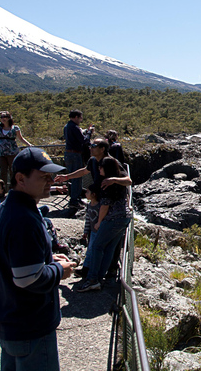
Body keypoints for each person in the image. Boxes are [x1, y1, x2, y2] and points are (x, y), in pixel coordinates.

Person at [0, 147, 75, 370]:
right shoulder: (23, 219)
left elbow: (13, 258)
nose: (50, 181)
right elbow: (27, 279)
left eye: (51, 176)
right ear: (20, 178)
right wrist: (59, 270)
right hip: (30, 326)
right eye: (43, 176)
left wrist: (47, 257)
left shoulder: (7, 209)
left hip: (9, 321)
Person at [76, 156, 132, 292]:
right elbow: (128, 181)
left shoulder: (106, 184)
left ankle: (92, 279)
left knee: (97, 247)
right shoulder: (119, 178)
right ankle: (99, 278)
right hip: (124, 217)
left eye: (101, 167)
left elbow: (105, 206)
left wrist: (99, 222)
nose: (99, 169)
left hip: (112, 219)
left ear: (106, 169)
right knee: (109, 248)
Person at [0, 111, 33, 185]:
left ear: (9, 118)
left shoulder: (15, 128)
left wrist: (29, 144)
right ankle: (2, 190)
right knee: (3, 172)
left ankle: (14, 188)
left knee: (12, 171)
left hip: (12, 152)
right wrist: (0, 113)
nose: (3, 119)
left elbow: (21, 138)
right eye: (2, 117)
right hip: (2, 153)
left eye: (5, 117)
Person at [63, 110, 92, 208]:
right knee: (76, 177)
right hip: (75, 154)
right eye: (80, 117)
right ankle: (74, 201)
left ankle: (76, 198)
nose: (81, 120)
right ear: (76, 117)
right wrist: (89, 133)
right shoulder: (74, 127)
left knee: (73, 176)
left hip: (69, 154)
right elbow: (84, 140)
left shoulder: (67, 126)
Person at [74, 186, 101, 279]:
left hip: (99, 232)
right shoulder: (89, 205)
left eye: (88, 192)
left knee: (93, 251)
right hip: (93, 232)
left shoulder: (100, 206)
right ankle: (86, 269)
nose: (85, 193)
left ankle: (88, 270)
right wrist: (85, 231)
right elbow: (88, 220)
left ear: (93, 194)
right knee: (89, 251)